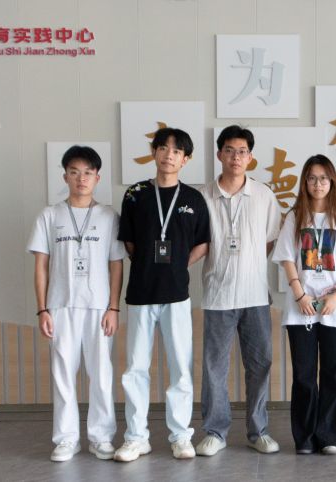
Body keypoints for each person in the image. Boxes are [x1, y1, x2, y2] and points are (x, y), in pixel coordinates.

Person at [114, 127, 210, 462]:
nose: (169, 155)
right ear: (154, 152)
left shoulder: (193, 199)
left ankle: (181, 436)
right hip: (140, 293)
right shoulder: (136, 194)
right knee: (135, 370)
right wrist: (147, 263)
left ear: (186, 159)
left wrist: (179, 265)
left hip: (177, 295)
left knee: (180, 368)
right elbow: (129, 242)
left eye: (177, 151)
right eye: (163, 148)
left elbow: (202, 243)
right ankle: (136, 438)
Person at [26, 145, 125, 462]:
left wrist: (113, 307)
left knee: (101, 374)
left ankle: (101, 437)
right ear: (65, 176)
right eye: (74, 172)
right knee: (63, 375)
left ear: (97, 177)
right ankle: (66, 439)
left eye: (87, 173)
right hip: (61, 306)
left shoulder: (109, 216)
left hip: (99, 308)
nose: (81, 178)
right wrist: (43, 309)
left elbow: (116, 264)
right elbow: (41, 266)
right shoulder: (49, 215)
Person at [196, 125, 282, 456]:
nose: (236, 157)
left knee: (260, 365)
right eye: (230, 150)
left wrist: (248, 264)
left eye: (242, 151)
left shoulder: (263, 195)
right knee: (214, 368)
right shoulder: (203, 196)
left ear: (250, 157)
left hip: (255, 296)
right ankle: (215, 432)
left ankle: (258, 431)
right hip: (217, 295)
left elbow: (270, 239)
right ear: (219, 154)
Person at [271, 154, 336, 455]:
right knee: (304, 375)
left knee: (334, 374)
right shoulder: (295, 216)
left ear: (332, 181)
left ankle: (330, 436)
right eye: (312, 178)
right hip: (302, 307)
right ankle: (305, 437)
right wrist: (299, 294)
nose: (318, 183)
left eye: (323, 178)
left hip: (335, 307)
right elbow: (286, 258)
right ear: (305, 182)